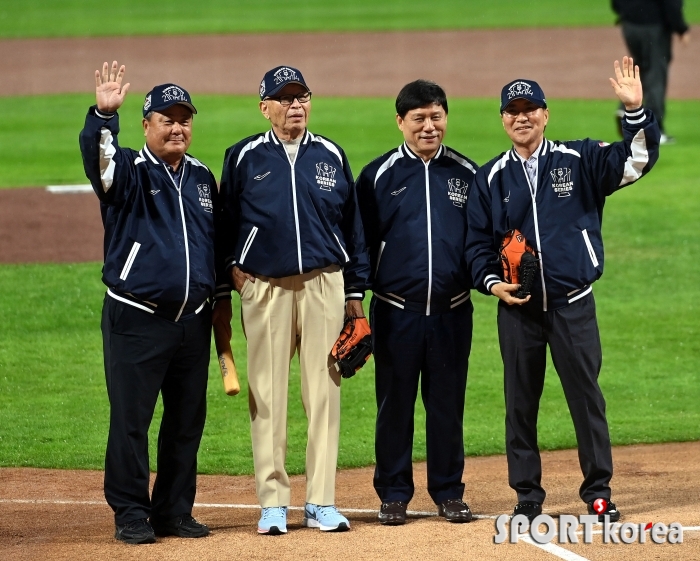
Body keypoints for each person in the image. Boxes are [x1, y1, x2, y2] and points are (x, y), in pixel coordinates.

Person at [466, 57, 660, 523]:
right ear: (503, 119)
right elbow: (475, 246)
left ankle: (598, 491)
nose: (521, 117)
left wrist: (635, 111)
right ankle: (527, 496)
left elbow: (636, 160)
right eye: (512, 110)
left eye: (530, 108)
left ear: (545, 114)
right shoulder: (490, 178)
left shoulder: (580, 159)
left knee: (586, 400)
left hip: (574, 306)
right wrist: (494, 283)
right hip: (518, 312)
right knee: (520, 404)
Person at [79, 61, 229, 544]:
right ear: (147, 125)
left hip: (192, 322)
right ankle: (130, 513)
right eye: (167, 119)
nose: (178, 127)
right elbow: (99, 169)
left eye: (185, 119)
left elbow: (215, 246)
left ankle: (173, 510)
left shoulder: (203, 178)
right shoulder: (127, 170)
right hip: (136, 317)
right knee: (131, 421)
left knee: (186, 422)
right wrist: (104, 119)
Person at [217, 66, 370, 535]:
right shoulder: (243, 156)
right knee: (267, 396)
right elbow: (222, 224)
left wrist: (354, 295)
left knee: (324, 395)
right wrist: (234, 273)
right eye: (284, 99)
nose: (295, 106)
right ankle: (273, 503)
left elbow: (353, 227)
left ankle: (321, 501)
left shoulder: (329, 154)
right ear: (265, 107)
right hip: (264, 289)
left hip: (325, 284)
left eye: (301, 97)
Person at [355, 80, 478, 526]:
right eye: (419, 118)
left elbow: (480, 241)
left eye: (436, 116)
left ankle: (448, 492)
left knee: (446, 404)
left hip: (452, 310)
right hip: (394, 311)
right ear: (400, 122)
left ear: (446, 116)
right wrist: (354, 304)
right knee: (395, 405)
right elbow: (360, 244)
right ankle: (392, 493)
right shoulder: (377, 176)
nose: (429, 126)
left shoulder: (467, 174)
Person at [612, 0, 690, 144]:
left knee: (639, 68)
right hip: (654, 27)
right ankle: (653, 129)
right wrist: (681, 28)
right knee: (656, 75)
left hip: (629, 25)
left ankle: (625, 109)